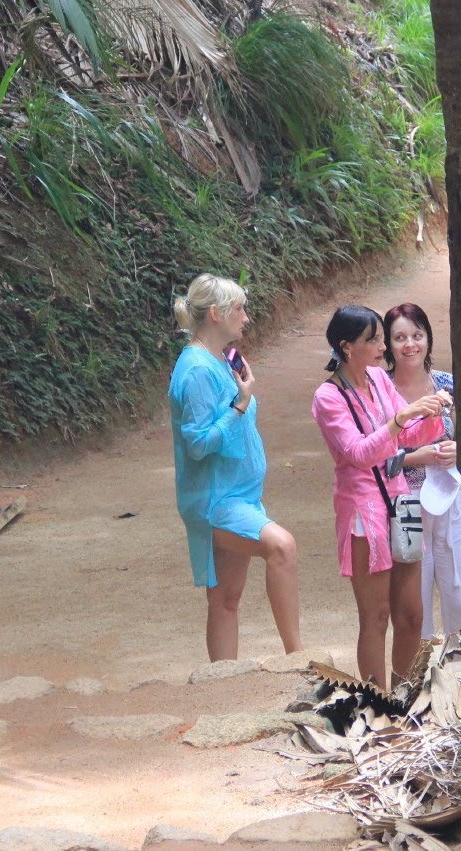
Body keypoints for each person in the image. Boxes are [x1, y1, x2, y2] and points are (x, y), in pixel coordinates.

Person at [312, 304, 449, 688]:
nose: (381, 347)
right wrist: (403, 418)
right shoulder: (328, 397)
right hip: (363, 512)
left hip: (401, 504)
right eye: (372, 339)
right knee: (375, 616)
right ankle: (377, 704)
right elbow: (358, 453)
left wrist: (432, 414)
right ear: (346, 346)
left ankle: (404, 698)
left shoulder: (378, 379)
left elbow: (404, 440)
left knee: (411, 614)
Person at [168, 274, 302, 662]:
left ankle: (221, 683)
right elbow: (196, 444)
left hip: (238, 495)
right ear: (215, 314)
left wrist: (241, 391)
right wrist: (239, 404)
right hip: (215, 500)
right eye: (240, 309)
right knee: (283, 547)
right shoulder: (195, 369)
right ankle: (297, 659)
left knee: (226, 599)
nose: (246, 318)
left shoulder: (220, 359)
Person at [384, 303, 461, 637]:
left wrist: (459, 452)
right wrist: (421, 455)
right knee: (415, 603)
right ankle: (421, 677)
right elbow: (376, 459)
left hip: (450, 496)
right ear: (387, 344)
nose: (410, 344)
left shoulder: (448, 383)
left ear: (428, 338)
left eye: (417, 335)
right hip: (405, 503)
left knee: (458, 590)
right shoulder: (378, 391)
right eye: (400, 337)